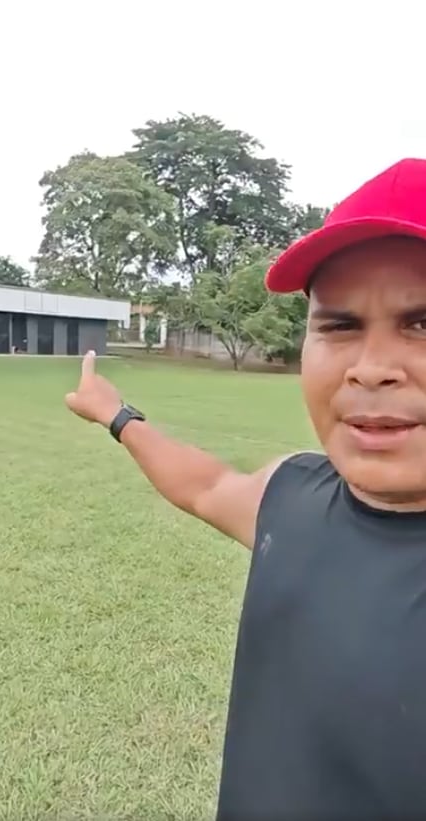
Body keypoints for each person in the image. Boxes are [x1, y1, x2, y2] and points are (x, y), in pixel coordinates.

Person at [66, 157, 426, 821]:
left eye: (421, 324)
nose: (372, 368)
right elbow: (206, 485)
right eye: (340, 325)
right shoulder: (291, 493)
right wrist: (116, 415)